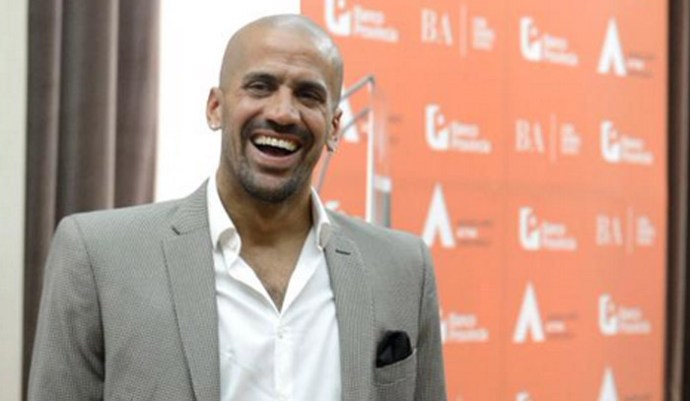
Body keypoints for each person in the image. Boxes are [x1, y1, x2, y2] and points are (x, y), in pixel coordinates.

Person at [28, 14, 446, 401]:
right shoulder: (98, 257)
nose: (283, 113)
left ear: (335, 126)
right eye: (260, 86)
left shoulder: (404, 269)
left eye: (308, 95)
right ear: (216, 108)